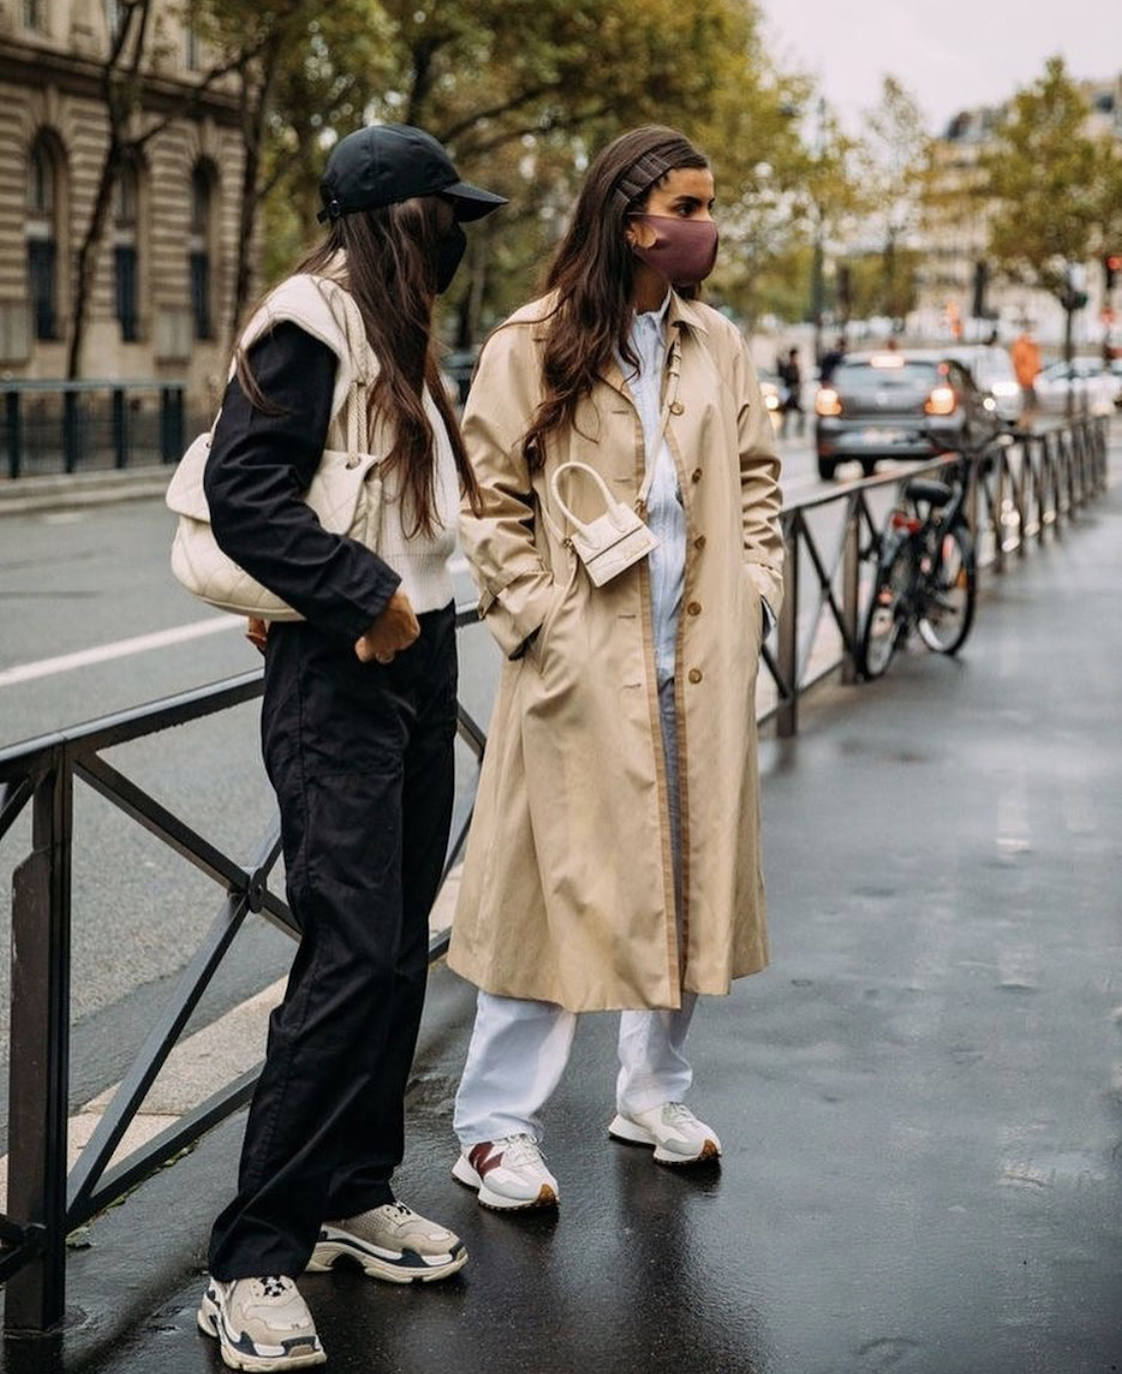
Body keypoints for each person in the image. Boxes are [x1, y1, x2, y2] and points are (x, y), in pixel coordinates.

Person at [197, 124, 505, 1369]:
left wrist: (406, 608)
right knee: (350, 952)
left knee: (390, 958)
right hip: (348, 669)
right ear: (397, 221)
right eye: (448, 219)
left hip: (414, 659)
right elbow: (245, 490)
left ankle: (347, 1196)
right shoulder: (310, 320)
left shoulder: (393, 330)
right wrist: (355, 595)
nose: (460, 243)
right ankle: (251, 1256)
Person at [446, 125, 784, 1211]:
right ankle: (493, 1130)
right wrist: (539, 625)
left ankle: (651, 1091)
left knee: (684, 877)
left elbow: (761, 480)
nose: (705, 226)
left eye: (708, 204)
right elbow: (485, 498)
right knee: (551, 890)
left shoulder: (715, 343)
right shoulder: (531, 342)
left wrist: (756, 595)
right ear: (632, 218)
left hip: (697, 662)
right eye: (688, 205)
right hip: (580, 668)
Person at [777, 346, 804, 436]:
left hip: (794, 393)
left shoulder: (796, 367)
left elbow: (798, 380)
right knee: (786, 412)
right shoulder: (788, 367)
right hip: (789, 392)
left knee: (799, 413)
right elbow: (785, 379)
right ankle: (784, 432)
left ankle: (798, 432)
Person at [1012, 327, 1041, 409]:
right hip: (1025, 381)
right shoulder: (1021, 346)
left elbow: (1035, 363)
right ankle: (1025, 420)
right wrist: (1023, 377)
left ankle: (1029, 420)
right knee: (1027, 405)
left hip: (1032, 380)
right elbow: (1018, 364)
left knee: (1033, 405)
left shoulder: (1033, 347)